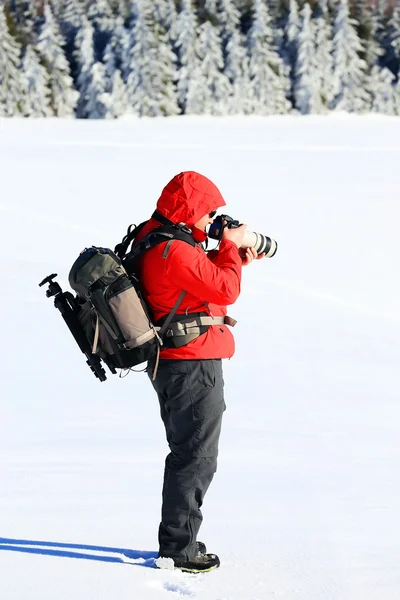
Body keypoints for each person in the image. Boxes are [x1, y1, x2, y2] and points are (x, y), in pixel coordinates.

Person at [136, 171, 263, 573]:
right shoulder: (173, 249)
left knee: (188, 454)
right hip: (192, 365)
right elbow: (224, 291)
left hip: (176, 363)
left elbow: (194, 282)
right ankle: (179, 548)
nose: (212, 221)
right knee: (196, 457)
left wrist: (234, 257)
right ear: (188, 209)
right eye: (208, 213)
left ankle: (180, 538)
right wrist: (228, 248)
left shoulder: (154, 238)